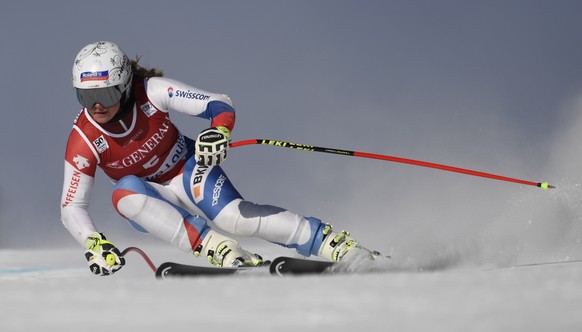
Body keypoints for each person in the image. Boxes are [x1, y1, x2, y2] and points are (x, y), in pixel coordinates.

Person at [61, 41, 379, 276]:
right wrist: (93, 243)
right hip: (151, 197)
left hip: (188, 168)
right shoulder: (85, 138)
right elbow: (72, 206)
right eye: (86, 96)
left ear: (126, 85)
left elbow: (218, 104)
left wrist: (219, 132)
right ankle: (221, 251)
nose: (97, 106)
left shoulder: (152, 92)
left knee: (234, 218)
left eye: (105, 94)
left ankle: (331, 243)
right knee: (125, 193)